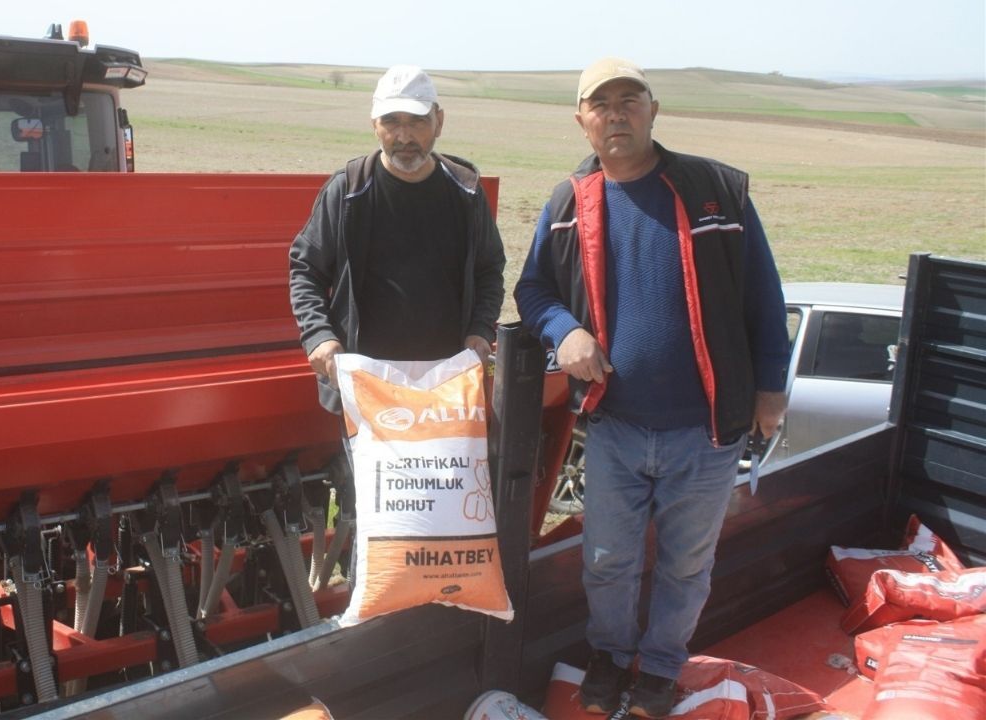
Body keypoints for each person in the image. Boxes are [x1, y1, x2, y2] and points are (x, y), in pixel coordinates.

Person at [514, 58, 790, 718]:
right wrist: (564, 332)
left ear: (653, 108)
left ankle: (662, 667)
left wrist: (771, 390)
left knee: (685, 566)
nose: (616, 113)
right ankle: (610, 656)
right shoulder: (565, 203)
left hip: (705, 431)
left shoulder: (714, 191)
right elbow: (533, 289)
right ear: (581, 121)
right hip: (615, 426)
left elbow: (764, 298)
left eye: (628, 99)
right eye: (599, 103)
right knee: (606, 560)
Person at [289, 65, 506, 413]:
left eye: (417, 121)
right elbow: (306, 270)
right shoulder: (347, 191)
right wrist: (320, 336)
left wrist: (480, 330)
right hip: (363, 385)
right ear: (373, 124)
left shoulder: (465, 192)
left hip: (446, 386)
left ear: (439, 120)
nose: (404, 136)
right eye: (391, 121)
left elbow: (489, 269)